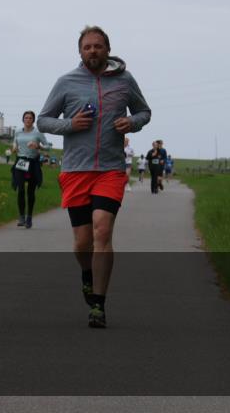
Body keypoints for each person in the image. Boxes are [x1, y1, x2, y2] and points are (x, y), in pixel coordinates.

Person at [38, 26, 151, 328]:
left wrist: (132, 122)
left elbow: (144, 112)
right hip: (75, 170)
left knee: (103, 232)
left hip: (110, 170)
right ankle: (87, 274)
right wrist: (70, 124)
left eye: (98, 46)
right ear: (80, 51)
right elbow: (43, 120)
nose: (93, 51)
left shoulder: (125, 81)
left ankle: (98, 305)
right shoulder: (66, 82)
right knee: (82, 242)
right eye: (87, 47)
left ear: (107, 49)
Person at [11, 110, 52, 228]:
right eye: (26, 118)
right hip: (20, 162)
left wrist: (38, 146)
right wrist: (14, 148)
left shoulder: (37, 133)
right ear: (23, 120)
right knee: (21, 190)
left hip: (33, 163)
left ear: (33, 120)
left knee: (30, 192)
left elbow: (48, 147)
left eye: (30, 118)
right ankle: (21, 217)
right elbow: (15, 143)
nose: (28, 120)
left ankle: (29, 217)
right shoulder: (18, 132)